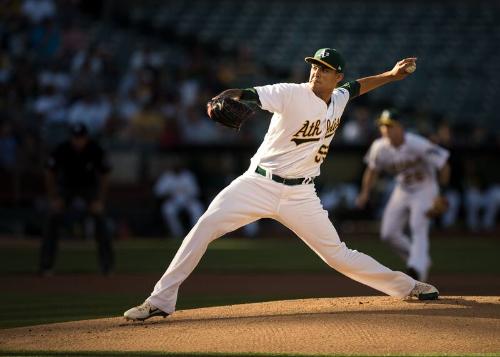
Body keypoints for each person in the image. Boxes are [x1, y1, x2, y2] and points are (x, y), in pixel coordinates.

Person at [124, 48, 439, 321]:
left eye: (325, 69)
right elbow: (250, 94)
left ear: (337, 76)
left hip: (301, 194)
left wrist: (392, 75)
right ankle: (160, 301)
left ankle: (408, 286)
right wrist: (227, 94)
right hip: (257, 184)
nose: (317, 71)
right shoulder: (291, 93)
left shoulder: (339, 97)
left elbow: (358, 87)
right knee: (204, 226)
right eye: (314, 66)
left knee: (338, 255)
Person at [356, 109, 451, 282]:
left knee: (418, 226)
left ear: (400, 127)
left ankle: (417, 271)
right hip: (403, 189)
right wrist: (365, 193)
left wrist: (441, 193)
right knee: (388, 233)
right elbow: (371, 170)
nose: (385, 129)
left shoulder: (417, 143)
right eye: (383, 126)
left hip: (425, 188)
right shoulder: (379, 147)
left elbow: (443, 164)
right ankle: (420, 260)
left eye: (390, 125)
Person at [39, 122, 114, 275]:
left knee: (100, 217)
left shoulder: (95, 149)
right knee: (53, 216)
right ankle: (46, 265)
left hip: (89, 188)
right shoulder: (62, 149)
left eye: (80, 138)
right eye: (75, 137)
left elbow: (105, 174)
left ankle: (106, 266)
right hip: (66, 188)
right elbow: (49, 172)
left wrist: (100, 200)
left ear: (86, 138)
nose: (78, 141)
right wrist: (53, 198)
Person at [153, 162, 204, 238]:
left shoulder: (188, 175)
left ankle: (196, 234)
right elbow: (158, 191)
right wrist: (168, 195)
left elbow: (195, 191)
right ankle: (177, 234)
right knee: (168, 210)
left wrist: (189, 198)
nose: (177, 167)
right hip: (173, 201)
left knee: (197, 208)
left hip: (188, 200)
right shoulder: (167, 176)